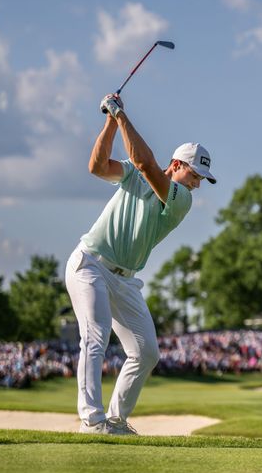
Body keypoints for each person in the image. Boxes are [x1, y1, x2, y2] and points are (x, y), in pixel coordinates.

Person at [65, 93, 215, 435]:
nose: (197, 183)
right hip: (89, 264)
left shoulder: (181, 200)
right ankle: (92, 420)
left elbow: (146, 165)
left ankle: (116, 421)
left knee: (146, 351)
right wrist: (109, 121)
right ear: (176, 164)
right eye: (195, 174)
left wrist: (119, 114)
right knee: (96, 335)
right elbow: (97, 166)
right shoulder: (133, 173)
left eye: (201, 179)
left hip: (125, 280)